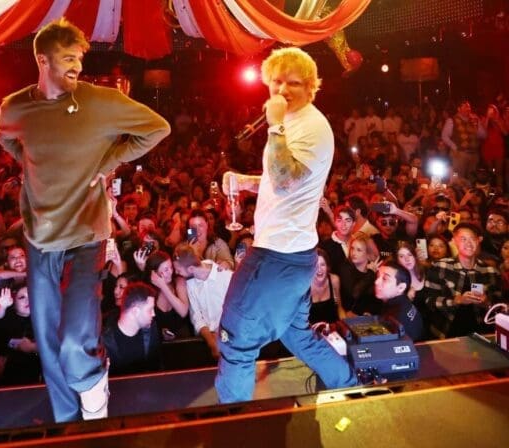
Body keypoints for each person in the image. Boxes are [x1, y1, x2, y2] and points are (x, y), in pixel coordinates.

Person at [0, 18, 170, 422]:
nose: (76, 65)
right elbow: (3, 135)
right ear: (42, 59)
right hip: (39, 242)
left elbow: (157, 128)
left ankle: (94, 383)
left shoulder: (100, 101)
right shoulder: (15, 106)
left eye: (79, 58)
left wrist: (107, 162)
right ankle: (65, 421)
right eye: (68, 58)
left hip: (86, 238)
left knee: (75, 339)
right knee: (49, 342)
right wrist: (28, 161)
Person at [215, 47, 357, 404]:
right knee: (297, 335)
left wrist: (275, 123)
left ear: (311, 88)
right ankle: (346, 380)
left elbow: (284, 179)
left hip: (277, 256)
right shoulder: (294, 122)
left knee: (236, 337)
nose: (282, 90)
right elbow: (287, 180)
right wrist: (247, 181)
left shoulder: (310, 126)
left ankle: (231, 425)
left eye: (293, 83)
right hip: (294, 254)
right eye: (276, 82)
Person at [172, 243, 232, 359]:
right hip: (203, 341)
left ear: (191, 269)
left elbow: (234, 312)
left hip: (229, 339)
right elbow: (196, 317)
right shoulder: (189, 284)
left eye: (178, 269)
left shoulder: (226, 277)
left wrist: (219, 335)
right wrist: (211, 342)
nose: (176, 273)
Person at [101, 282, 161, 376]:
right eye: (150, 310)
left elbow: (156, 367)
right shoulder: (105, 340)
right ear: (135, 311)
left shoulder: (151, 329)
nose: (154, 314)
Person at [373, 261, 424, 341]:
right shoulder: (403, 303)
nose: (376, 282)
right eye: (378, 276)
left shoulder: (395, 318)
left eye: (385, 279)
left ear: (401, 288)